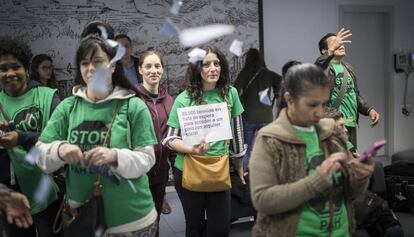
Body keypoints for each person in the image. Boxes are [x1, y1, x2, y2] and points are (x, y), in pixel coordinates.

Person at [36, 35, 158, 236]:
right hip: (82, 219)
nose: (90, 69)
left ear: (112, 66)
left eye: (98, 62)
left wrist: (115, 156)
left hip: (132, 221)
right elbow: (40, 156)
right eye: (84, 63)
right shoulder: (68, 107)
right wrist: (59, 150)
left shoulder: (133, 106)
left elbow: (147, 159)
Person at [249, 62, 375, 237]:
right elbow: (263, 200)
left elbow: (350, 192)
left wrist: (360, 178)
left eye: (323, 104)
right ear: (289, 99)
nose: (319, 112)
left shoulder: (332, 131)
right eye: (312, 105)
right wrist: (316, 182)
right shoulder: (270, 139)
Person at [163, 44, 246, 237]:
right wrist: (192, 149)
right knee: (195, 228)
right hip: (188, 171)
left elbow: (237, 133)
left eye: (216, 63)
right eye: (206, 64)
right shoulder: (184, 98)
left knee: (221, 229)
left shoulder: (229, 93)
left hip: (220, 170)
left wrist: (240, 165)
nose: (213, 68)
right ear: (197, 68)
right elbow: (169, 139)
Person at [0, 37, 62, 237]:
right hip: (10, 197)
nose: (10, 73)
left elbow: (59, 141)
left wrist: (20, 138)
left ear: (26, 68)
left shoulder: (48, 96)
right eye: (3, 68)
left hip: (46, 191)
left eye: (16, 66)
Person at [315, 28, 380, 146]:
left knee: (351, 157)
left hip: (351, 123)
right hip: (334, 123)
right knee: (337, 159)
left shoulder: (348, 68)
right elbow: (316, 68)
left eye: (341, 43)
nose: (341, 45)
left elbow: (355, 94)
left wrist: (369, 110)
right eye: (336, 44)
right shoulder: (323, 69)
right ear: (324, 51)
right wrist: (330, 52)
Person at [135, 50, 174, 237]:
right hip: (138, 176)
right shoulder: (132, 99)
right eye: (148, 66)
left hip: (160, 174)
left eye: (157, 66)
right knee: (139, 224)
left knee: (156, 221)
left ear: (163, 70)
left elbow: (174, 135)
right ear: (140, 70)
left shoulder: (169, 100)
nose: (153, 70)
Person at [234, 48, 282, 172]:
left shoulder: (244, 74)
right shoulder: (269, 74)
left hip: (248, 117)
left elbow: (234, 90)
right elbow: (282, 81)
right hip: (266, 117)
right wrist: (276, 91)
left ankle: (243, 176)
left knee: (246, 148)